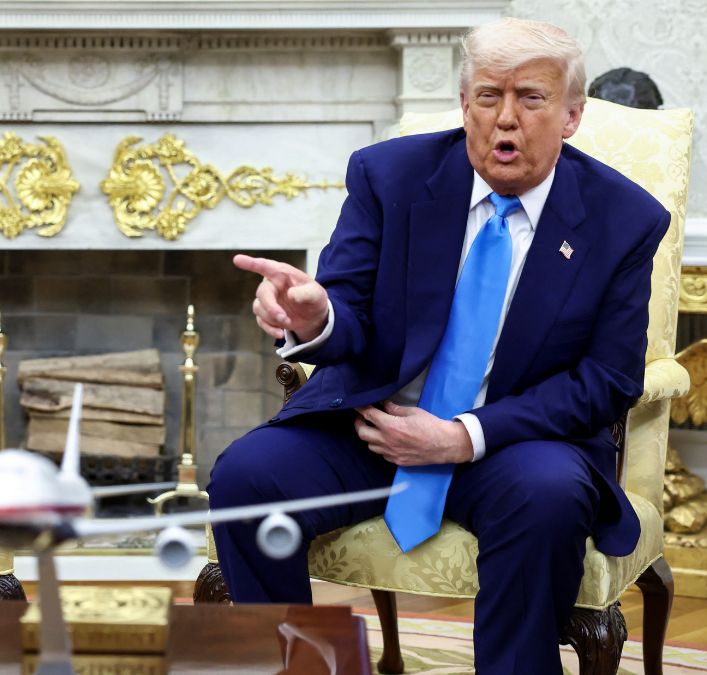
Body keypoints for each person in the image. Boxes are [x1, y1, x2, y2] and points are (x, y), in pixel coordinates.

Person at [210, 18, 669, 673]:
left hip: (513, 443)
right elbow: (347, 310)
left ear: (571, 115)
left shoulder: (624, 220)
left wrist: (463, 435)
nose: (504, 118)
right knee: (248, 475)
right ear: (464, 104)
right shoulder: (390, 176)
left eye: (530, 98)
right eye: (488, 96)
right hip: (375, 426)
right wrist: (314, 319)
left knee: (549, 498)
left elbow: (606, 379)